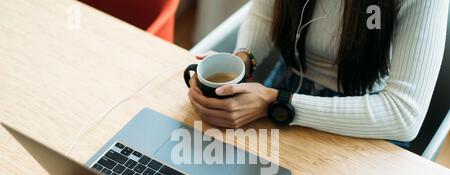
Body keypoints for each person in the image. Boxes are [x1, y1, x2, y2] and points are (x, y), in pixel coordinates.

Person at [187, 0, 448, 143]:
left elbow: (404, 116)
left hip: (367, 118)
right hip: (282, 91)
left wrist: (275, 103)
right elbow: (265, 16)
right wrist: (242, 61)